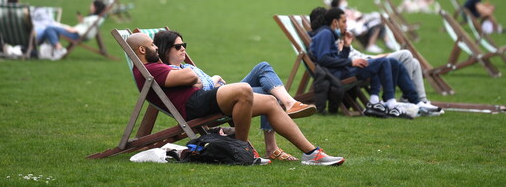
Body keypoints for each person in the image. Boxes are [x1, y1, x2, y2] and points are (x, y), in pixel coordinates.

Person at [126, 32, 345, 166]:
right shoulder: (151, 68)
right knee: (243, 89)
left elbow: (190, 76)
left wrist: (196, 79)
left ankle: (312, 154)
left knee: (269, 101)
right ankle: (242, 151)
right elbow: (191, 75)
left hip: (202, 97)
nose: (157, 48)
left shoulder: (155, 66)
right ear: (143, 49)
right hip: (194, 104)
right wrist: (194, 79)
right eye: (153, 46)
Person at [310, 7, 431, 119]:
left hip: (340, 70)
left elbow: (334, 58)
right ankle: (389, 102)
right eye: (344, 21)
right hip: (336, 75)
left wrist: (346, 47)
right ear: (335, 22)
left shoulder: (328, 34)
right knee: (382, 62)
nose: (346, 25)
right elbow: (324, 60)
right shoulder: (325, 34)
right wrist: (351, 62)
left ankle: (405, 100)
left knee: (392, 62)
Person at [37, 0, 106, 59]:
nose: (90, 7)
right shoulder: (95, 17)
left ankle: (59, 49)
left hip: (76, 34)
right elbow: (86, 24)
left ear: (96, 8)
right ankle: (41, 49)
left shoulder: (95, 18)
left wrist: (72, 30)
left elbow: (84, 29)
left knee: (50, 29)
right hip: (75, 32)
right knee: (50, 28)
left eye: (92, 5)